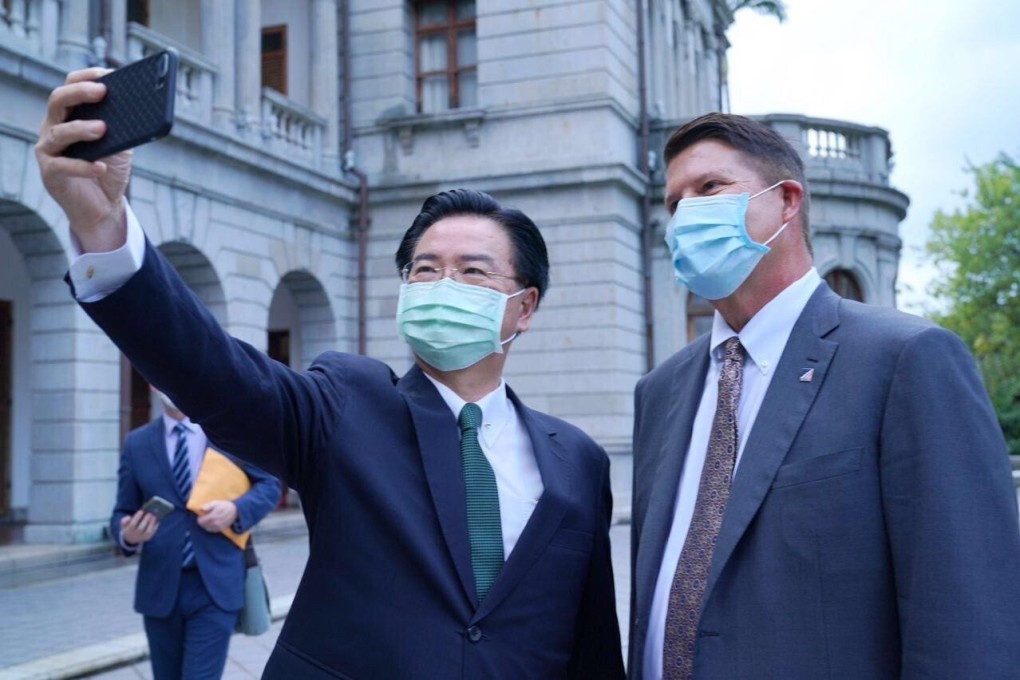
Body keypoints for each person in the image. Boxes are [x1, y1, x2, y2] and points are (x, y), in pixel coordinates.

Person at [37, 68, 625, 679]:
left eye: (473, 272)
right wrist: (105, 228)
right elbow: (212, 370)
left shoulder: (578, 460)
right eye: (424, 270)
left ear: (524, 307)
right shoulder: (347, 405)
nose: (442, 285)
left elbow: (590, 644)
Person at [628, 112, 1020, 679]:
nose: (687, 214)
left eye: (710, 188)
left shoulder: (906, 360)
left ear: (787, 201)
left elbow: (969, 615)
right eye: (674, 203)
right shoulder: (659, 392)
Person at [112, 388, 280, 680]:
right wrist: (129, 535)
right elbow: (121, 512)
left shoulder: (228, 433)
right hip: (160, 587)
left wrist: (236, 510)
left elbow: (270, 485)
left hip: (216, 584)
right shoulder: (137, 443)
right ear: (151, 385)